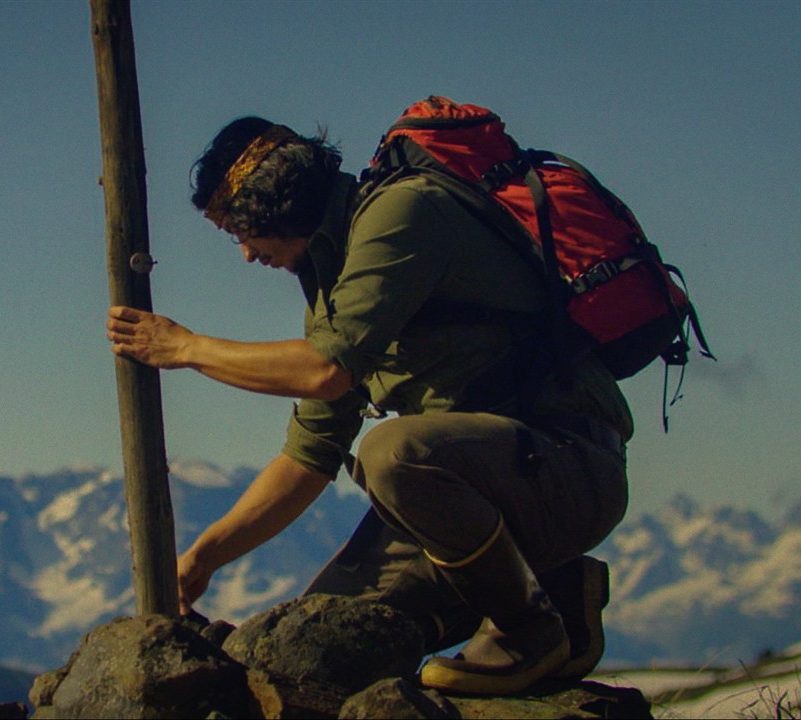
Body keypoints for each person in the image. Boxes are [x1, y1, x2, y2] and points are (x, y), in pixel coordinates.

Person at [104, 116, 631, 695]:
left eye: (240, 231)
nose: (247, 255)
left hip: (567, 462)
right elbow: (308, 456)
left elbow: (325, 371)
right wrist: (204, 558)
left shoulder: (402, 215)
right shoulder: (337, 280)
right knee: (322, 641)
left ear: (272, 205)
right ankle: (558, 592)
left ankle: (529, 628)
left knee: (392, 452)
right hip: (488, 484)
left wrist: (185, 348)